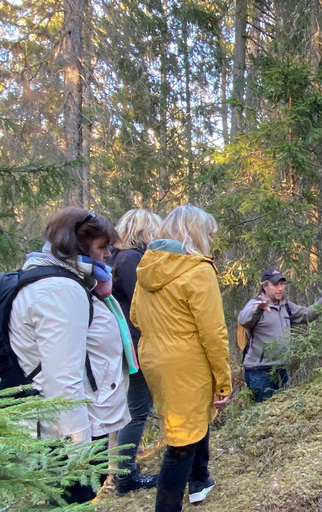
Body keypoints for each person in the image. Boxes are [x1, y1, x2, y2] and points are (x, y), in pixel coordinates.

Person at [9, 207, 131, 504]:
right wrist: (81, 450)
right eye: (102, 247)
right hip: (64, 436)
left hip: (65, 427)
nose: (107, 255)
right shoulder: (61, 291)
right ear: (75, 246)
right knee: (72, 500)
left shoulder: (61, 281)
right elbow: (62, 380)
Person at [131, 205, 231, 512]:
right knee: (180, 444)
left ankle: (199, 481)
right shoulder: (198, 270)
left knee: (189, 423)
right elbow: (213, 332)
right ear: (196, 233)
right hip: (186, 363)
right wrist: (223, 381)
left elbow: (135, 316)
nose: (212, 238)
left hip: (154, 359)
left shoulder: (148, 267)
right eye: (209, 232)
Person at [110, 209, 162, 495]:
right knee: (137, 410)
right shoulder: (131, 259)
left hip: (125, 344)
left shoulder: (117, 258)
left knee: (131, 409)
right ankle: (125, 475)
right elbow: (143, 305)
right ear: (143, 232)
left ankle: (122, 472)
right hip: (135, 345)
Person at [237, 267, 322, 402]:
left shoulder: (285, 305)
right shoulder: (255, 304)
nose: (280, 288)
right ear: (265, 286)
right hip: (260, 371)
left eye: (282, 284)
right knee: (263, 415)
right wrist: (258, 309)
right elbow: (243, 320)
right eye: (275, 285)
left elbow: (306, 314)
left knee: (281, 414)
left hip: (282, 368)